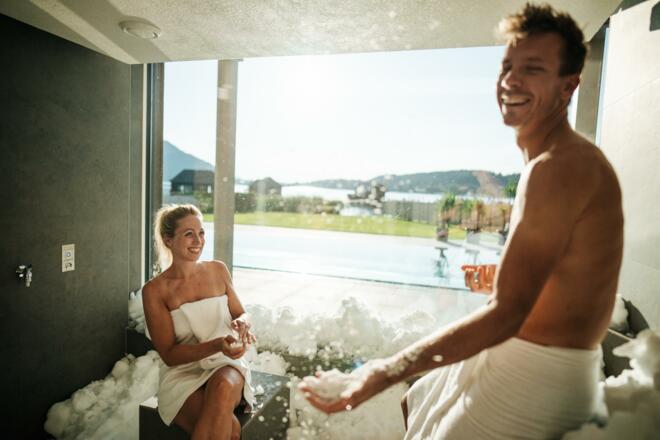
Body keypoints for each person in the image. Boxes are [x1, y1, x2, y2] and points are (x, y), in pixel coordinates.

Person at [300, 3, 624, 439]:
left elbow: (509, 311)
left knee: (411, 399)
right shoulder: (551, 163)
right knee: (415, 398)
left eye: (532, 69)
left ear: (569, 86)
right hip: (521, 354)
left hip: (537, 377)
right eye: (507, 66)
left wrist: (381, 371)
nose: (510, 80)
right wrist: (503, 278)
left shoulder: (560, 167)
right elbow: (558, 277)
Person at [143, 204, 256, 440]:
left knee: (223, 386)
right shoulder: (154, 291)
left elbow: (241, 313)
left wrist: (243, 323)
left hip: (225, 362)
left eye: (201, 232)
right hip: (182, 372)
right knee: (231, 430)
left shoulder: (218, 270)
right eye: (189, 234)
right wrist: (217, 344)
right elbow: (169, 355)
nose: (198, 240)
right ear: (168, 240)